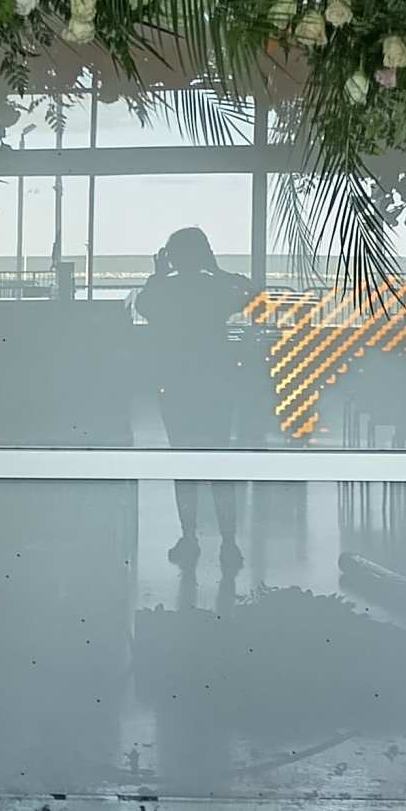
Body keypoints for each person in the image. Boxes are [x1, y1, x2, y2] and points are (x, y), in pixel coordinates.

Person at [134, 227, 252, 570]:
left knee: (182, 459)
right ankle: (229, 542)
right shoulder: (215, 287)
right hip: (216, 382)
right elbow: (249, 294)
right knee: (219, 459)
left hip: (176, 384)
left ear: (171, 256)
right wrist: (216, 270)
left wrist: (157, 275)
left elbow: (144, 306)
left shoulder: (166, 289)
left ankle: (189, 537)